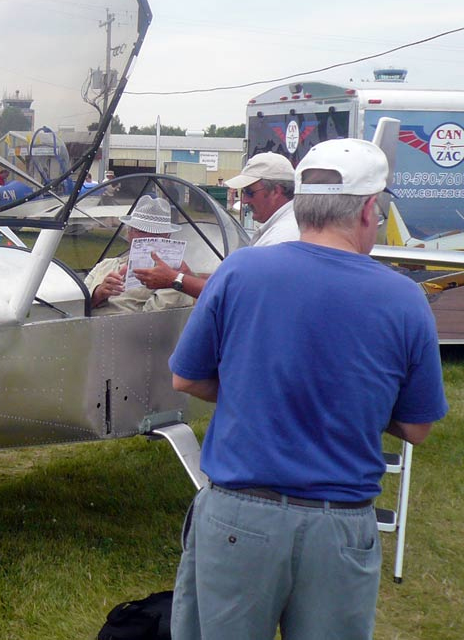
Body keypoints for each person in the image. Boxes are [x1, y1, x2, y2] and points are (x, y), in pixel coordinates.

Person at [167, 138, 447, 640]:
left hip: (237, 515)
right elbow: (417, 426)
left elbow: (186, 378)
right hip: (338, 529)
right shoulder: (404, 299)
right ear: (368, 210)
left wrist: (257, 388)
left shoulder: (240, 271)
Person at [133, 152, 301, 299]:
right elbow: (238, 282)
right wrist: (189, 276)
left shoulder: (281, 237)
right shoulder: (283, 225)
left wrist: (176, 280)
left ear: (276, 191)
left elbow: (240, 294)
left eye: (249, 192)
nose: (244, 200)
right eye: (243, 193)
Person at [85, 196, 193, 313]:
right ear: (129, 233)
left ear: (167, 237)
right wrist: (98, 293)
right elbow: (75, 306)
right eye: (141, 231)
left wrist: (172, 279)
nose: (148, 239)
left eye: (156, 234)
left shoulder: (173, 275)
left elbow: (151, 320)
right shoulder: (105, 265)